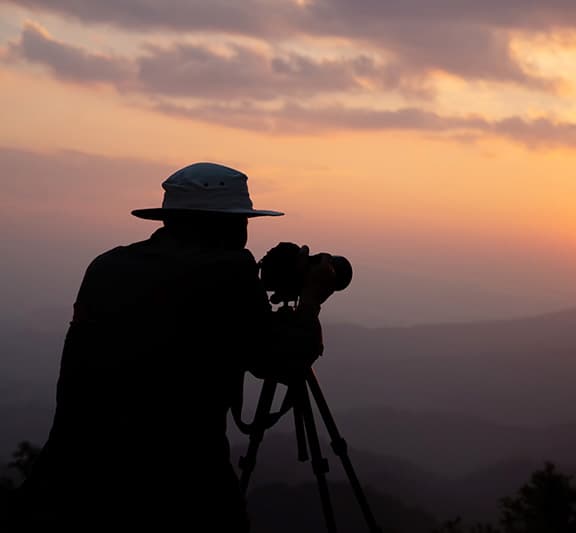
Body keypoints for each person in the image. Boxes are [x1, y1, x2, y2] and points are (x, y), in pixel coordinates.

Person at [12, 162, 334, 532]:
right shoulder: (229, 271)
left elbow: (178, 327)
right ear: (228, 225)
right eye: (243, 221)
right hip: (176, 491)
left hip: (66, 484)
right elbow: (285, 359)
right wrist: (310, 300)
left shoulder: (107, 266)